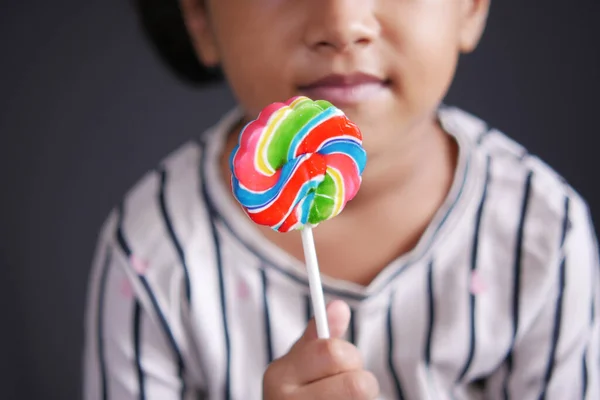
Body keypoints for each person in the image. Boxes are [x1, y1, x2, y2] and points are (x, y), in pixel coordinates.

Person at [82, 0, 600, 399]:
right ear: (198, 16)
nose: (341, 22)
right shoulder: (151, 252)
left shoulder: (543, 235)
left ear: (470, 6)